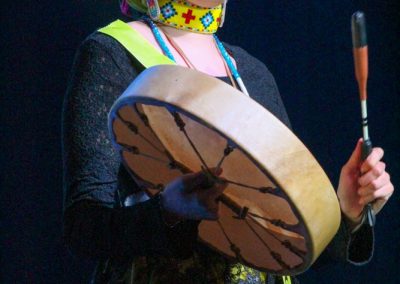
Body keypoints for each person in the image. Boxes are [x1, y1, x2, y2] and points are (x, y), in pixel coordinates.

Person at [62, 0, 394, 283]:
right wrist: (168, 215)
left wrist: (347, 211)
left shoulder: (251, 73)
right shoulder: (111, 52)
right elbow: (85, 227)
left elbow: (283, 245)